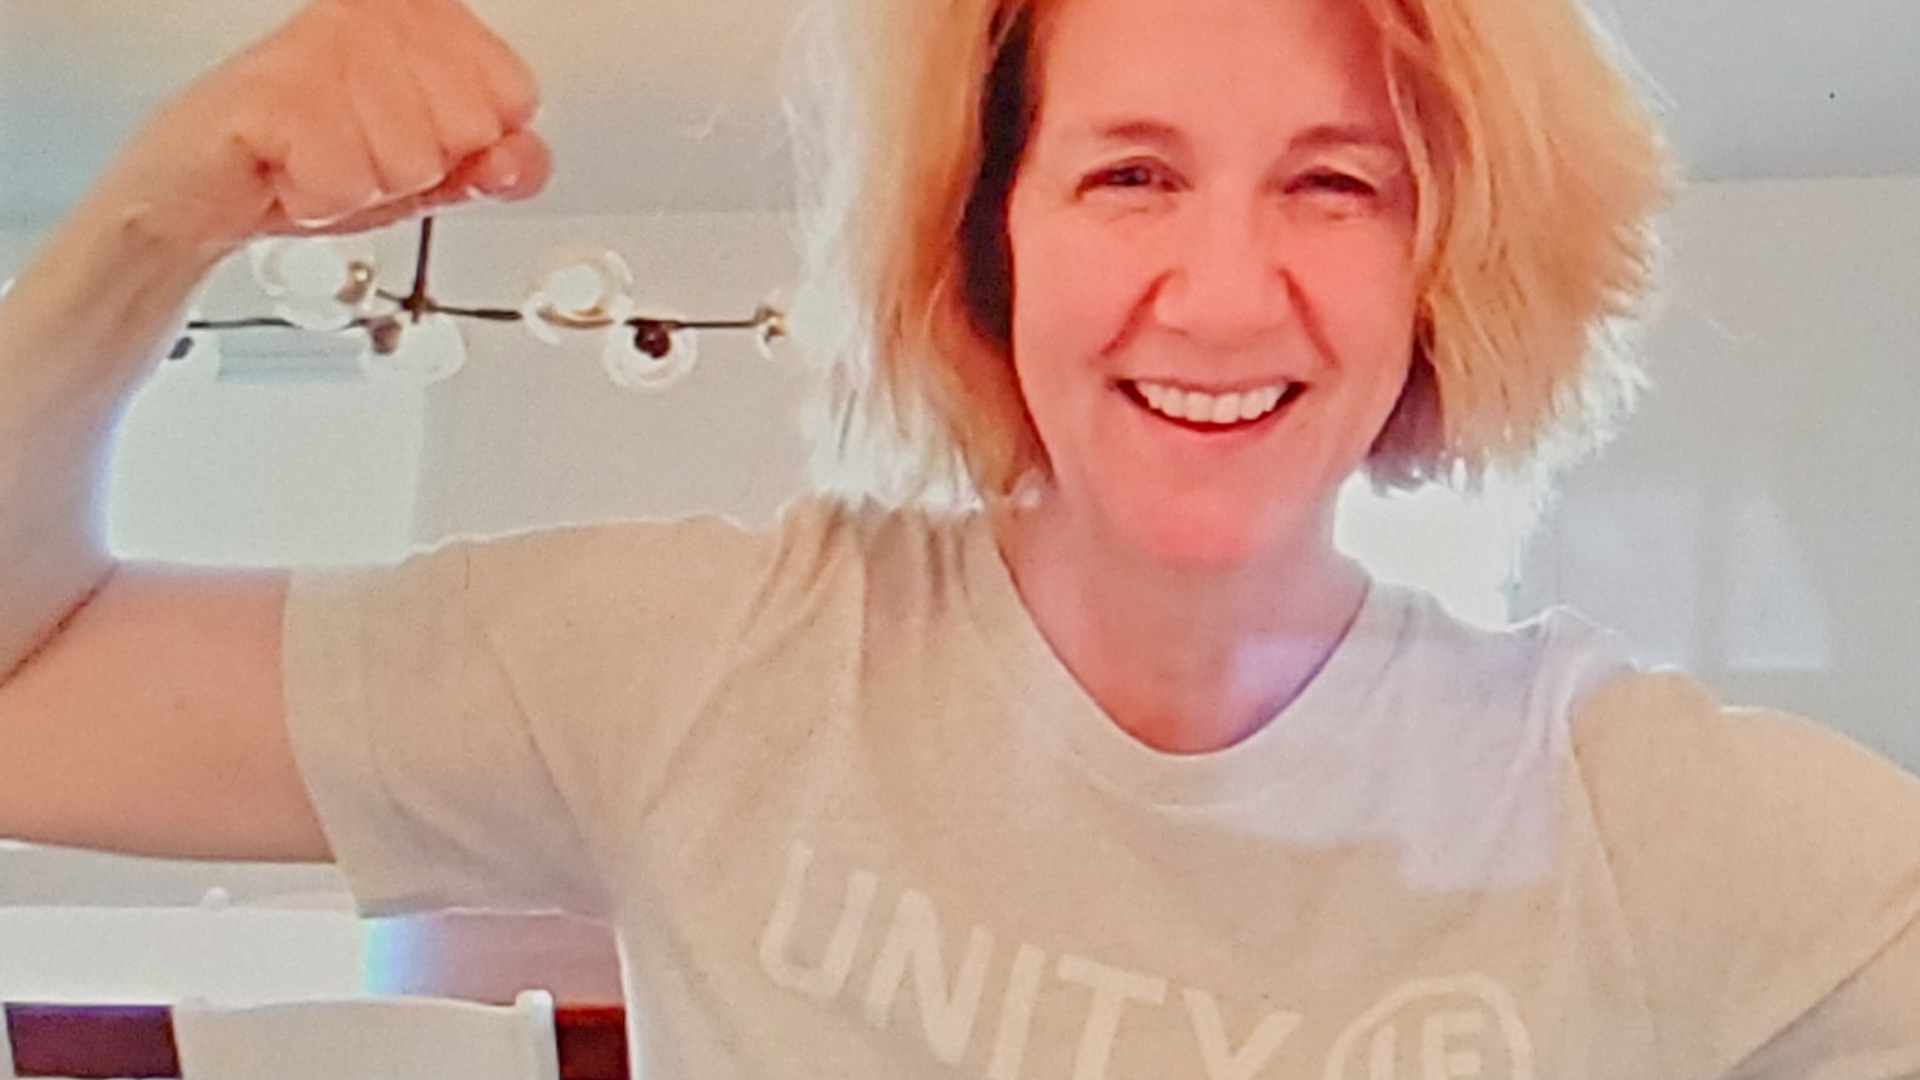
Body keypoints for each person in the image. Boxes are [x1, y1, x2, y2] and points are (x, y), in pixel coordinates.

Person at [2, 0, 1917, 1074]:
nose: (1222, 294)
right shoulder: (694, 663)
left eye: (1337, 186)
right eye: (1131, 172)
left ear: (1450, 263)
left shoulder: (1644, 817)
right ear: (986, 234)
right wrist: (152, 220)